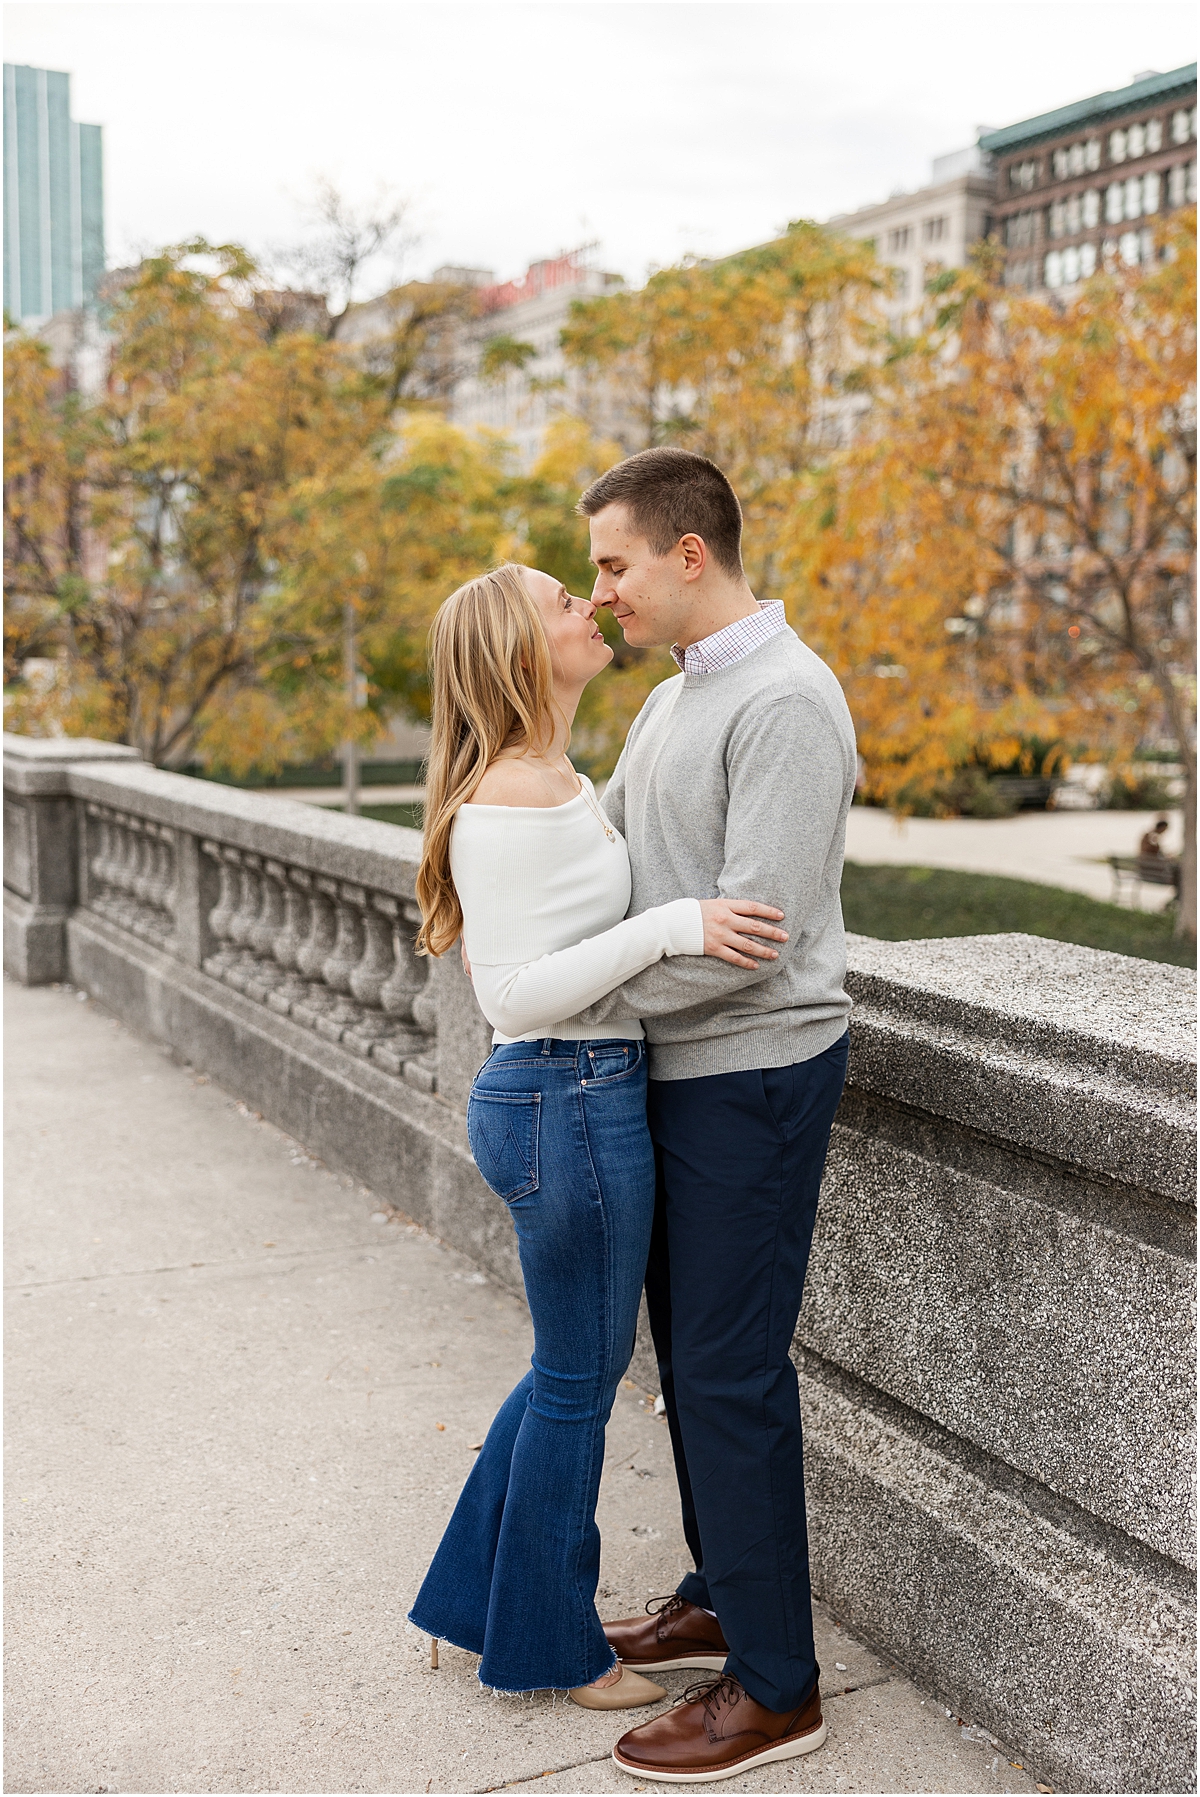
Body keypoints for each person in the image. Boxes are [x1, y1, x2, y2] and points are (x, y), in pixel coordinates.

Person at [406, 563, 788, 1710]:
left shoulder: (552, 774)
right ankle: (553, 1649)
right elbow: (515, 993)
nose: (589, 604)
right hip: (563, 1093)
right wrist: (676, 925)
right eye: (561, 600)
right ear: (523, 652)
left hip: (574, 1093)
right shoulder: (511, 796)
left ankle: (480, 1604)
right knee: (578, 1383)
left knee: (565, 1373)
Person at [564, 447, 857, 1783]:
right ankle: (723, 1592)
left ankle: (779, 1689)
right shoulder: (672, 702)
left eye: (615, 564)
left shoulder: (787, 702)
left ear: (692, 553)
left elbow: (751, 936)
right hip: (678, 1072)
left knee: (732, 1372)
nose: (603, 591)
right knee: (690, 1362)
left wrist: (598, 985)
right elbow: (612, 870)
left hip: (754, 1072)